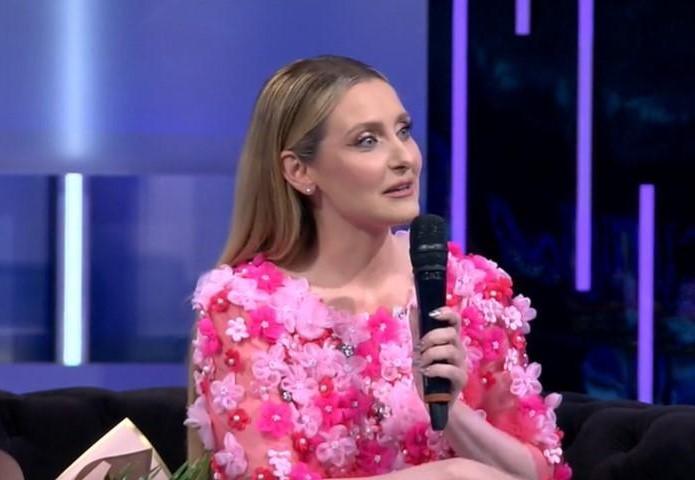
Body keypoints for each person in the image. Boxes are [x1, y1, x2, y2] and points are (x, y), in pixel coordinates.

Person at [185, 55, 570, 480]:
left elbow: (540, 472)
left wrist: (451, 412)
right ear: (299, 170)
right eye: (367, 140)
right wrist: (446, 476)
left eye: (403, 131)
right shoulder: (248, 309)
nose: (404, 157)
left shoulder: (471, 289)